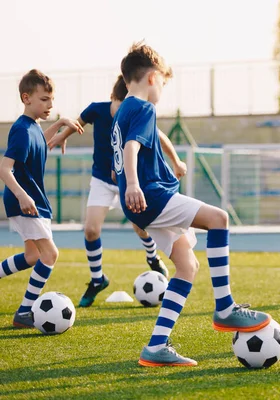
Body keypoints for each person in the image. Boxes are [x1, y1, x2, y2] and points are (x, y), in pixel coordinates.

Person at [112, 42, 271, 367]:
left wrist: (144, 177)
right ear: (153, 78)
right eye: (165, 84)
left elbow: (135, 145)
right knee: (219, 218)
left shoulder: (123, 111)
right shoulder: (143, 107)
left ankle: (156, 346)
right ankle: (225, 308)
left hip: (142, 203)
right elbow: (131, 148)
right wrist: (133, 184)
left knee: (187, 266)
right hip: (153, 196)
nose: (163, 92)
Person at [47, 75, 187, 307]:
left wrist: (176, 161)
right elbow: (78, 122)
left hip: (127, 179)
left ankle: (152, 257)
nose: (120, 113)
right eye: (117, 107)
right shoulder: (97, 110)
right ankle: (97, 279)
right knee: (91, 229)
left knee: (139, 225)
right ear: (111, 98)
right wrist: (63, 134)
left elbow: (158, 135)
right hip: (102, 179)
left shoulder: (134, 113)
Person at [0, 69, 84, 328]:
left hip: (34, 201)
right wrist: (22, 195)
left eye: (51, 99)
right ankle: (24, 312)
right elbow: (4, 167)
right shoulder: (21, 130)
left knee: (33, 256)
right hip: (25, 202)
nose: (50, 104)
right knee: (50, 254)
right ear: (26, 98)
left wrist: (58, 125)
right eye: (44, 99)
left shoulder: (34, 128)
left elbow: (41, 144)